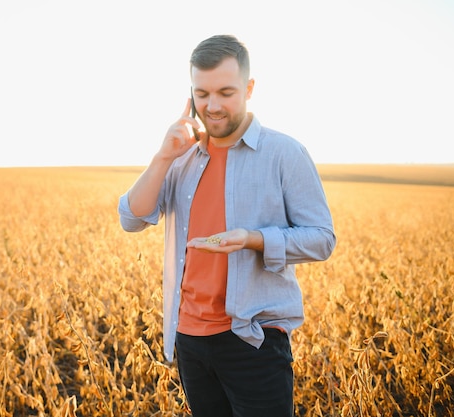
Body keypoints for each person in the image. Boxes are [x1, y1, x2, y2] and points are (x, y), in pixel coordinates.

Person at [118, 34, 336, 417]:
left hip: (253, 338)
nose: (212, 106)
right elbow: (131, 218)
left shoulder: (284, 153)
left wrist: (252, 239)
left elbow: (321, 240)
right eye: (201, 94)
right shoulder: (182, 159)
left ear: (249, 89)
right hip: (188, 338)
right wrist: (163, 156)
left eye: (225, 92)